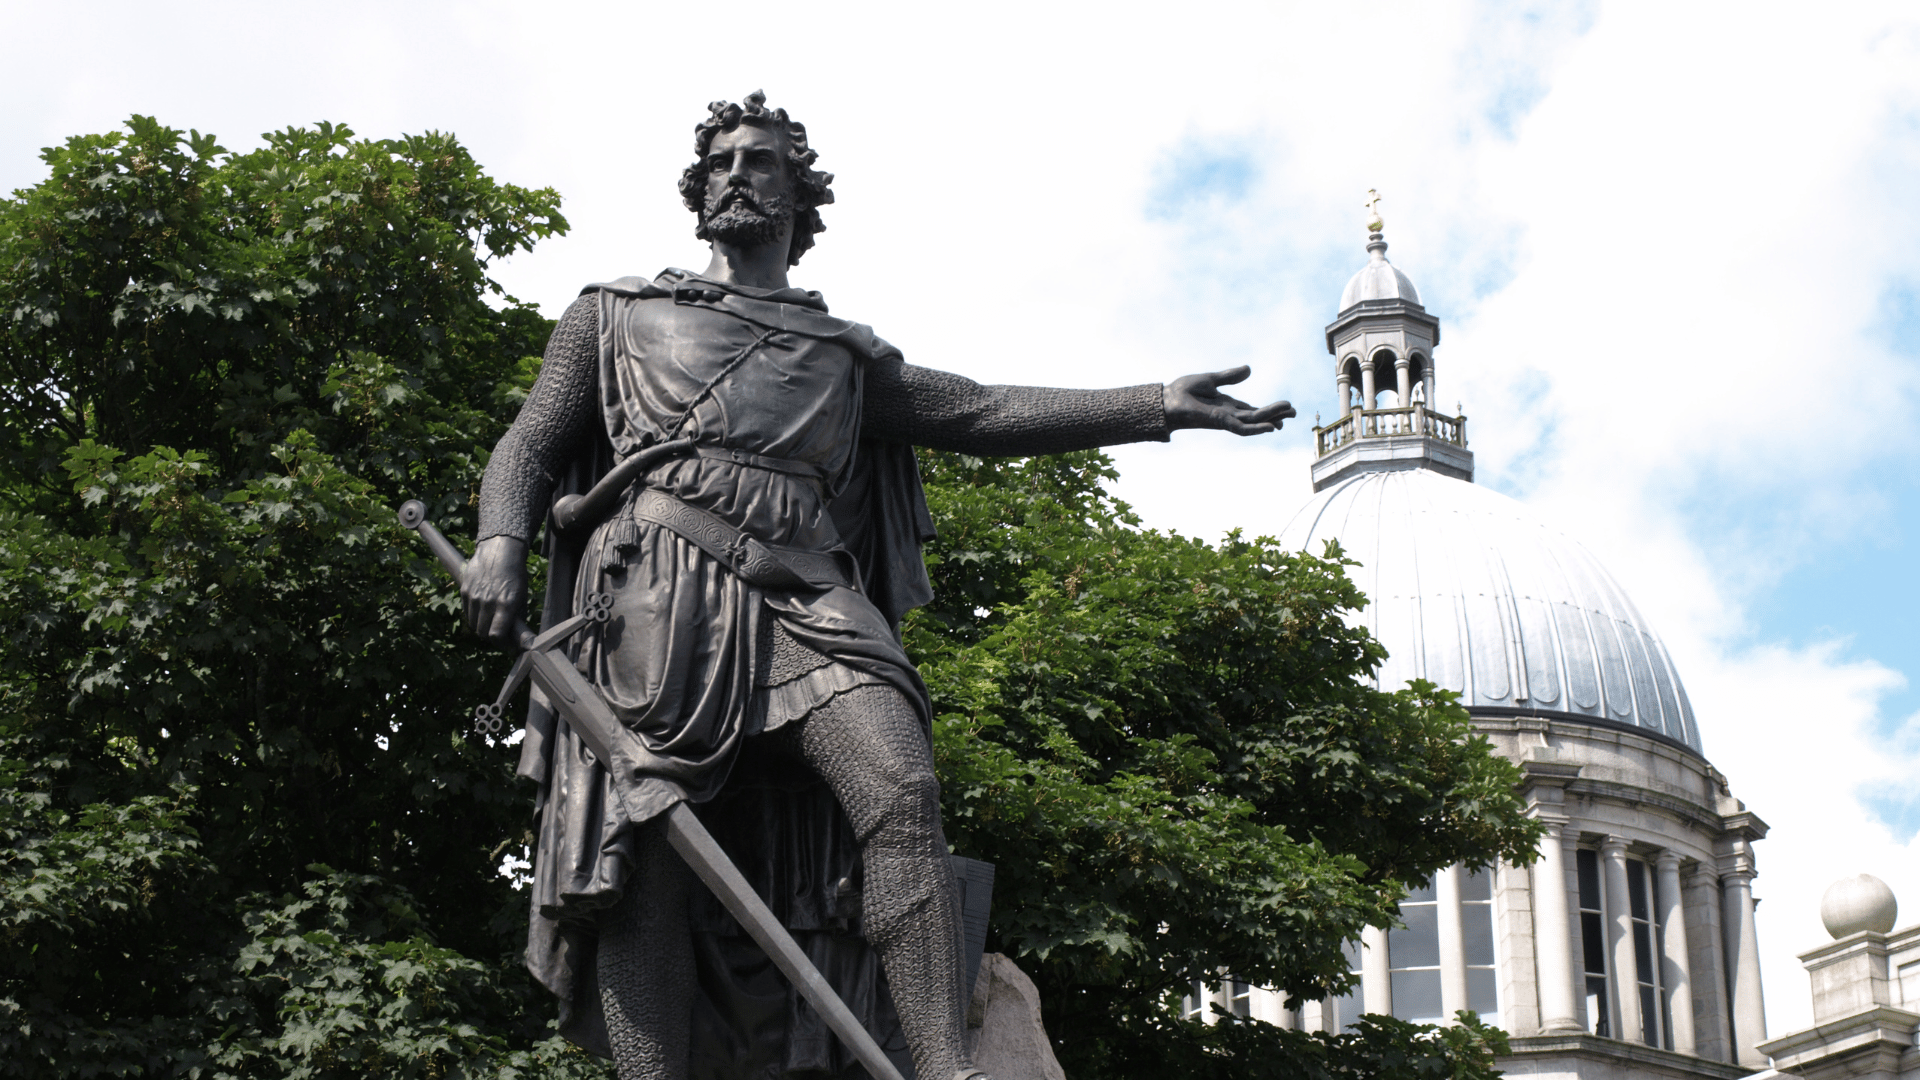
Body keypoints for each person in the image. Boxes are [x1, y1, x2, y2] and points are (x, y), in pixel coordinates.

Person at [462, 91, 1295, 1080]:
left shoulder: (842, 357)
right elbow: (529, 442)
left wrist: (1155, 404)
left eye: (761, 160)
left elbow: (983, 411)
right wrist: (500, 543)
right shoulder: (615, 315)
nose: (738, 172)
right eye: (722, 160)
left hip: (809, 595)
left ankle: (944, 1068)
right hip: (658, 600)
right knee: (649, 854)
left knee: (900, 790)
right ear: (698, 191)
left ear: (797, 195)